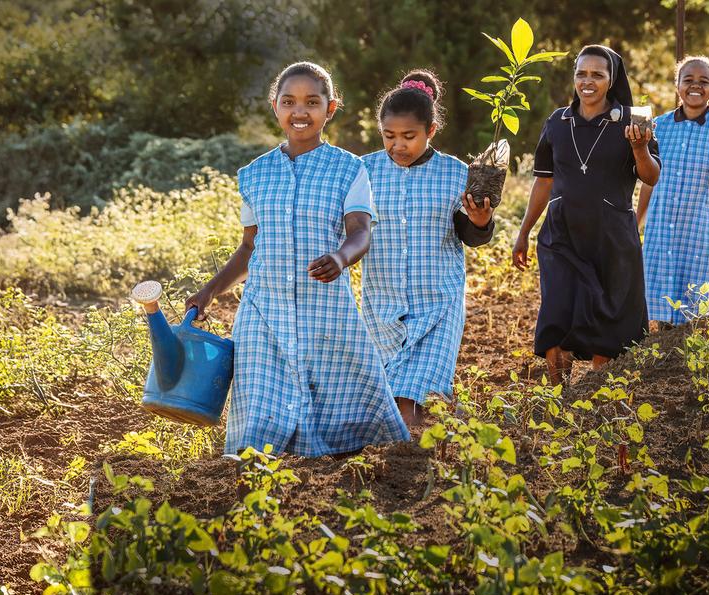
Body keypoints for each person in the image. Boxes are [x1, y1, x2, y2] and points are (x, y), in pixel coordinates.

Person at [185, 61, 410, 457]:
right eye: (289, 101)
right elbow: (249, 248)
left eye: (312, 102)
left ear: (331, 108)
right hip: (263, 308)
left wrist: (341, 258)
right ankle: (250, 470)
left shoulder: (349, 168)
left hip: (324, 306)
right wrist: (208, 292)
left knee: (344, 394)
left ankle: (343, 464)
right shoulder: (254, 174)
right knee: (258, 397)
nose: (300, 111)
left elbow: (361, 231)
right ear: (275, 107)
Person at [512, 45, 661, 384]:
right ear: (574, 77)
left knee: (608, 321)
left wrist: (638, 148)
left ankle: (596, 399)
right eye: (581, 73)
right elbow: (544, 182)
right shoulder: (557, 122)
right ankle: (558, 401)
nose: (588, 81)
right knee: (556, 313)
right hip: (561, 233)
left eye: (598, 74)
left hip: (612, 236)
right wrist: (523, 233)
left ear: (611, 80)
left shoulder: (633, 120)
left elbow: (651, 176)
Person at [361, 70, 495, 427]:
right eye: (388, 136)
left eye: (409, 136)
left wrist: (480, 220)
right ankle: (446, 426)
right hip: (381, 307)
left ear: (431, 131)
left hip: (437, 304)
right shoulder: (364, 171)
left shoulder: (455, 173)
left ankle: (412, 467)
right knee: (388, 402)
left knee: (409, 406)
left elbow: (471, 234)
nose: (397, 146)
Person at [637, 55, 709, 325]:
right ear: (677, 85)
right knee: (661, 303)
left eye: (703, 81)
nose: (695, 86)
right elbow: (649, 182)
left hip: (704, 232)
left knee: (700, 310)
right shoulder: (657, 127)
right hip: (663, 230)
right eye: (688, 80)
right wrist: (635, 223)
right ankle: (661, 360)